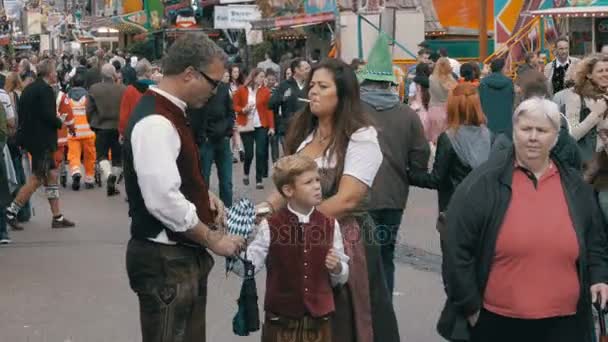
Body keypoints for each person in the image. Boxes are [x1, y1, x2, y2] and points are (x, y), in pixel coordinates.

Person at [437, 97, 608, 342]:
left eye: (542, 130)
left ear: (556, 136)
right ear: (514, 131)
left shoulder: (575, 185)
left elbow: (595, 240)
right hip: (499, 321)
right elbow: (456, 248)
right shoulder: (482, 183)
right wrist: (470, 306)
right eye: (526, 129)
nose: (533, 137)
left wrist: (600, 277)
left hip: (566, 322)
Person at [257, 59, 400, 342]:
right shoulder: (304, 137)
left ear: (343, 93)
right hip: (301, 238)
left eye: (323, 86)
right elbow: (287, 188)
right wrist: (263, 212)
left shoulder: (361, 138)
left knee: (342, 321)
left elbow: (348, 199)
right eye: (311, 86)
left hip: (347, 239)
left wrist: (298, 225)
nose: (313, 92)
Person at [124, 33, 244, 342]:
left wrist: (206, 198)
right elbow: (163, 199)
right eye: (213, 82)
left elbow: (175, 179)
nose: (216, 91)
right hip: (166, 259)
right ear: (189, 73)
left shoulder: (168, 113)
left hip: (174, 258)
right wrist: (213, 239)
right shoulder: (156, 121)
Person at [236, 154, 349, 342]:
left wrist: (337, 268)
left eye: (317, 180)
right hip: (281, 320)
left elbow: (342, 276)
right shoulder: (270, 226)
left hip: (319, 320)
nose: (316, 186)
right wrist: (238, 244)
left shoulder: (330, 225)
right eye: (308, 182)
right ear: (288, 190)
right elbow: (249, 267)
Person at [358, 34, 430, 297]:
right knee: (386, 256)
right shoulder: (407, 114)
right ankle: (384, 312)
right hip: (393, 197)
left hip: (356, 198)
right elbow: (420, 155)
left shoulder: (351, 110)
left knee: (359, 259)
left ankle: (363, 319)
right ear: (390, 82)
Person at [7, 59, 75, 230]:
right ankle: (11, 211)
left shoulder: (29, 89)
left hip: (32, 139)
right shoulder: (46, 90)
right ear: (49, 73)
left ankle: (57, 217)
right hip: (43, 141)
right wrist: (60, 121)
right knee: (37, 178)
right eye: (54, 71)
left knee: (51, 175)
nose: (56, 74)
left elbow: (23, 115)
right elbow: (47, 115)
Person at [188, 68, 235, 206]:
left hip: (223, 141)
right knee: (204, 180)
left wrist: (227, 132)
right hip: (206, 142)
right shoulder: (199, 91)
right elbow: (194, 115)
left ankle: (227, 213)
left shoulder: (224, 89)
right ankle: (205, 212)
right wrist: (202, 136)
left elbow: (231, 113)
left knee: (227, 182)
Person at [87, 64, 126, 196]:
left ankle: (108, 174)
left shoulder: (94, 89)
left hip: (101, 126)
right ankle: (112, 184)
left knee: (102, 155)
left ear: (101, 75)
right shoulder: (123, 89)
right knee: (117, 158)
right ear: (114, 74)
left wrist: (91, 122)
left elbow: (89, 110)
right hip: (118, 127)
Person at [233, 68, 275, 189]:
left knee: (261, 152)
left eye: (263, 77)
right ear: (254, 77)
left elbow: (269, 109)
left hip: (261, 125)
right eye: (261, 76)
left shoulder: (266, 91)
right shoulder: (242, 90)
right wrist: (243, 109)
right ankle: (246, 173)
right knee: (249, 153)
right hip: (246, 125)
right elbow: (234, 105)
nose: (263, 79)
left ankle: (259, 179)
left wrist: (271, 126)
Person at [563, 54, 608, 164]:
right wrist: (595, 114)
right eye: (600, 71)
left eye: (607, 70)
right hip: (589, 165)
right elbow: (572, 136)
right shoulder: (576, 96)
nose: (605, 74)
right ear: (589, 75)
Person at [269, 58, 311, 159]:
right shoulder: (284, 85)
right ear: (296, 70)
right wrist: (283, 98)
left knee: (306, 156)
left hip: (307, 127)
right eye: (306, 68)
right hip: (289, 128)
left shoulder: (311, 85)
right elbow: (271, 104)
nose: (309, 70)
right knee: (291, 157)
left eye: (309, 68)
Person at [65, 74, 96, 190]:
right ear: (84, 84)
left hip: (73, 132)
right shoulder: (88, 97)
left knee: (74, 155)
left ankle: (76, 172)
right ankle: (89, 179)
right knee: (90, 156)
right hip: (88, 132)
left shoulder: (67, 97)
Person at [118, 58, 155, 138]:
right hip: (154, 131)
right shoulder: (158, 88)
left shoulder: (129, 90)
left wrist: (122, 132)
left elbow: (125, 115)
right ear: (147, 72)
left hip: (134, 132)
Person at [479, 58, 515, 137]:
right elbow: (513, 102)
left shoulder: (483, 82)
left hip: (488, 124)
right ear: (502, 68)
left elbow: (480, 102)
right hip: (505, 125)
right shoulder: (509, 82)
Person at [428, 57, 457, 143]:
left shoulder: (431, 78)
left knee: (434, 138)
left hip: (433, 109)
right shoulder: (450, 79)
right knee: (446, 139)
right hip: (447, 110)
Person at [55, 84, 75, 188]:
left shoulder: (38, 92)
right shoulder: (61, 96)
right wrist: (72, 128)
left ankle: (49, 178)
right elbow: (68, 114)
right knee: (59, 156)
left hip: (45, 133)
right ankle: (61, 174)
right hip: (59, 132)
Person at [229, 64, 245, 163]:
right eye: (234, 72)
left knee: (236, 131)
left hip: (239, 110)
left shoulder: (240, 84)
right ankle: (239, 150)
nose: (236, 74)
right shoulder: (228, 84)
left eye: (237, 72)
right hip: (230, 110)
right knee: (235, 131)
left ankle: (235, 152)